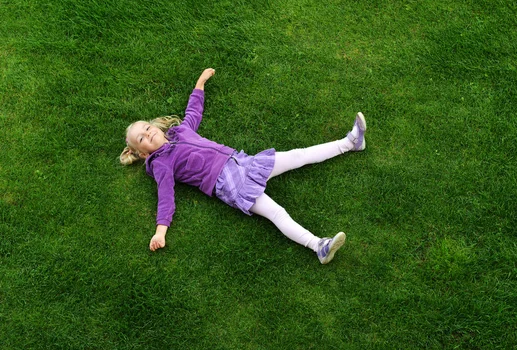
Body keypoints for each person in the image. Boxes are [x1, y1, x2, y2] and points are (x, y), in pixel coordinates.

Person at [120, 68, 366, 264]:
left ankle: (350, 143)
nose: (147, 134)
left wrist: (200, 83)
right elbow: (165, 197)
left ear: (155, 126)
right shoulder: (161, 163)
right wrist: (160, 232)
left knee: (297, 155)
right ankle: (319, 246)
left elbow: (193, 112)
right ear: (142, 152)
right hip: (229, 184)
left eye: (147, 128)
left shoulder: (180, 131)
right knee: (276, 212)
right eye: (141, 138)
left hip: (244, 162)